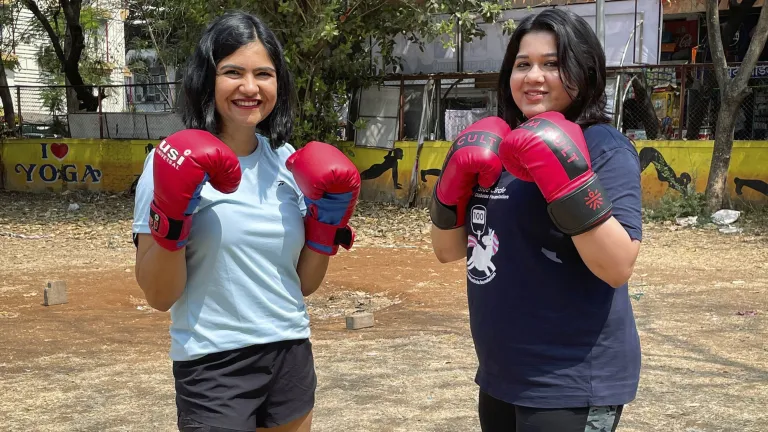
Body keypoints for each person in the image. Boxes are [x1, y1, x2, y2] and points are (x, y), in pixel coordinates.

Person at [132, 11, 361, 432]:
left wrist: (326, 225)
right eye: (232, 72)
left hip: (290, 353)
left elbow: (301, 285)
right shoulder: (169, 161)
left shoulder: (287, 162)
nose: (250, 88)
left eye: (264, 74)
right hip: (213, 363)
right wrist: (172, 217)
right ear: (207, 78)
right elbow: (159, 296)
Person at [429, 8, 643, 432]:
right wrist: (448, 189)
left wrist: (568, 179)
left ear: (582, 70)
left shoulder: (604, 147)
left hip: (573, 379)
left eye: (551, 64)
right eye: (522, 64)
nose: (534, 76)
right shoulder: (499, 146)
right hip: (502, 374)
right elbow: (448, 251)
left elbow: (618, 267)